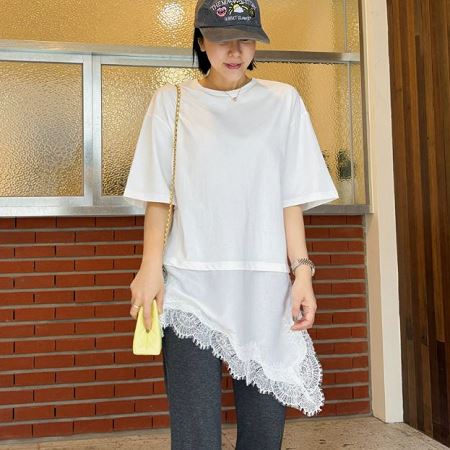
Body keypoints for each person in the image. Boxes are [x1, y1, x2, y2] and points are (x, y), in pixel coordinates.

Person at [124, 0, 339, 448]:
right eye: (222, 39)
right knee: (195, 435)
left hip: (263, 288)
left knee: (264, 432)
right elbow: (158, 197)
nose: (235, 51)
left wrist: (302, 274)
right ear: (202, 42)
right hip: (189, 283)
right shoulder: (171, 102)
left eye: (246, 39)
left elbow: (290, 198)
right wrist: (149, 268)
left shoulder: (282, 101)